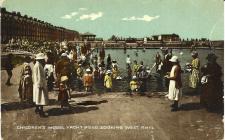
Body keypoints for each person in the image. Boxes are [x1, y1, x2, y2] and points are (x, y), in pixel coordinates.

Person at [33, 53, 48, 117]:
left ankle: (37, 109)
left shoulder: (37, 65)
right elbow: (39, 76)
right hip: (40, 84)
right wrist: (40, 85)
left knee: (37, 97)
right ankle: (41, 112)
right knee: (41, 98)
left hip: (36, 84)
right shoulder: (38, 66)